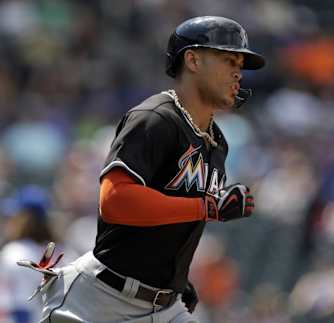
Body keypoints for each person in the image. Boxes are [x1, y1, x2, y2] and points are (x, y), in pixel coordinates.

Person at [35, 16, 265, 323]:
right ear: (193, 60)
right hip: (100, 301)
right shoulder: (155, 118)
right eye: (227, 59)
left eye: (240, 63)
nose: (238, 71)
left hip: (165, 305)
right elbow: (115, 201)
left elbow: (175, 220)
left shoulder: (216, 142)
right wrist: (207, 206)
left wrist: (176, 276)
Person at [0, 185, 55, 323]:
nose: (8, 220)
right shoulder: (63, 251)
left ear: (24, 218)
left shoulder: (15, 252)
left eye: (12, 216)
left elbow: (20, 309)